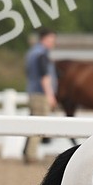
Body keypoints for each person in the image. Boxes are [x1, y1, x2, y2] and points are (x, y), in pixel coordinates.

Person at [24, 29, 58, 164]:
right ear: (45, 39)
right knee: (39, 125)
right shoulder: (42, 55)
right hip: (41, 94)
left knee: (32, 122)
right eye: (51, 39)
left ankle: (26, 151)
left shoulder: (31, 53)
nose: (53, 42)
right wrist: (50, 95)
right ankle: (31, 155)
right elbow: (45, 77)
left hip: (32, 92)